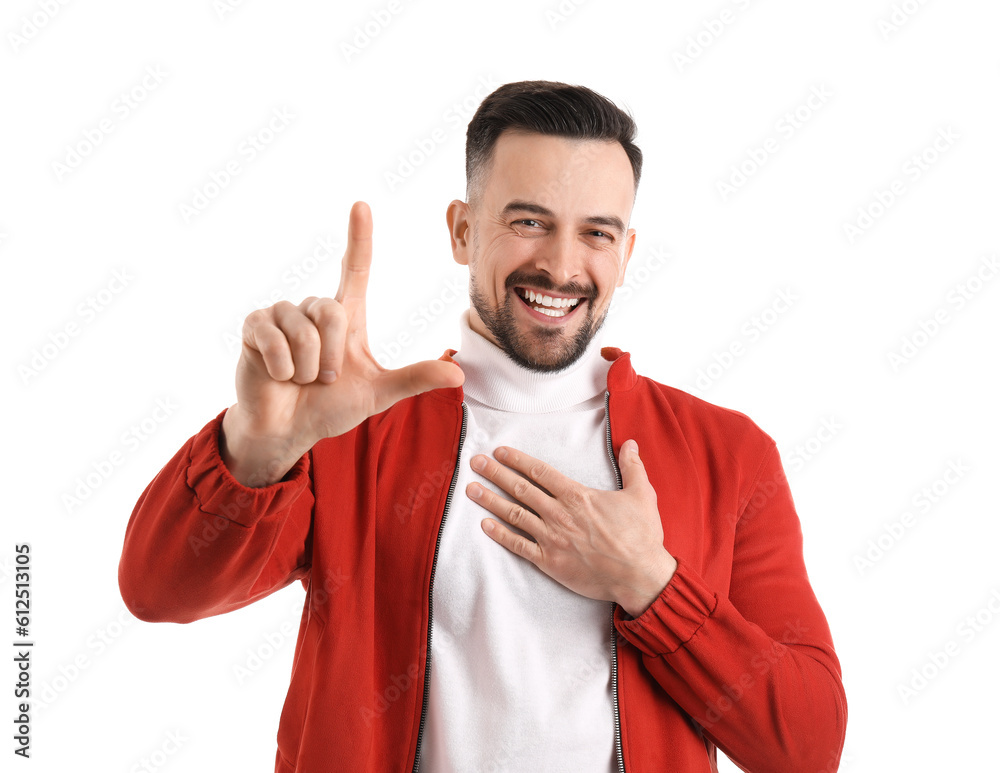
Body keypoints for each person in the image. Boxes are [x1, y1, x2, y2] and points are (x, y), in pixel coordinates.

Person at [118, 80, 847, 772]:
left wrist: (647, 581)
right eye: (528, 222)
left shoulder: (728, 452)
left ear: (625, 255)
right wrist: (256, 447)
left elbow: (806, 742)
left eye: (596, 232)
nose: (562, 266)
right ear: (464, 231)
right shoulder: (351, 431)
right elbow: (157, 590)